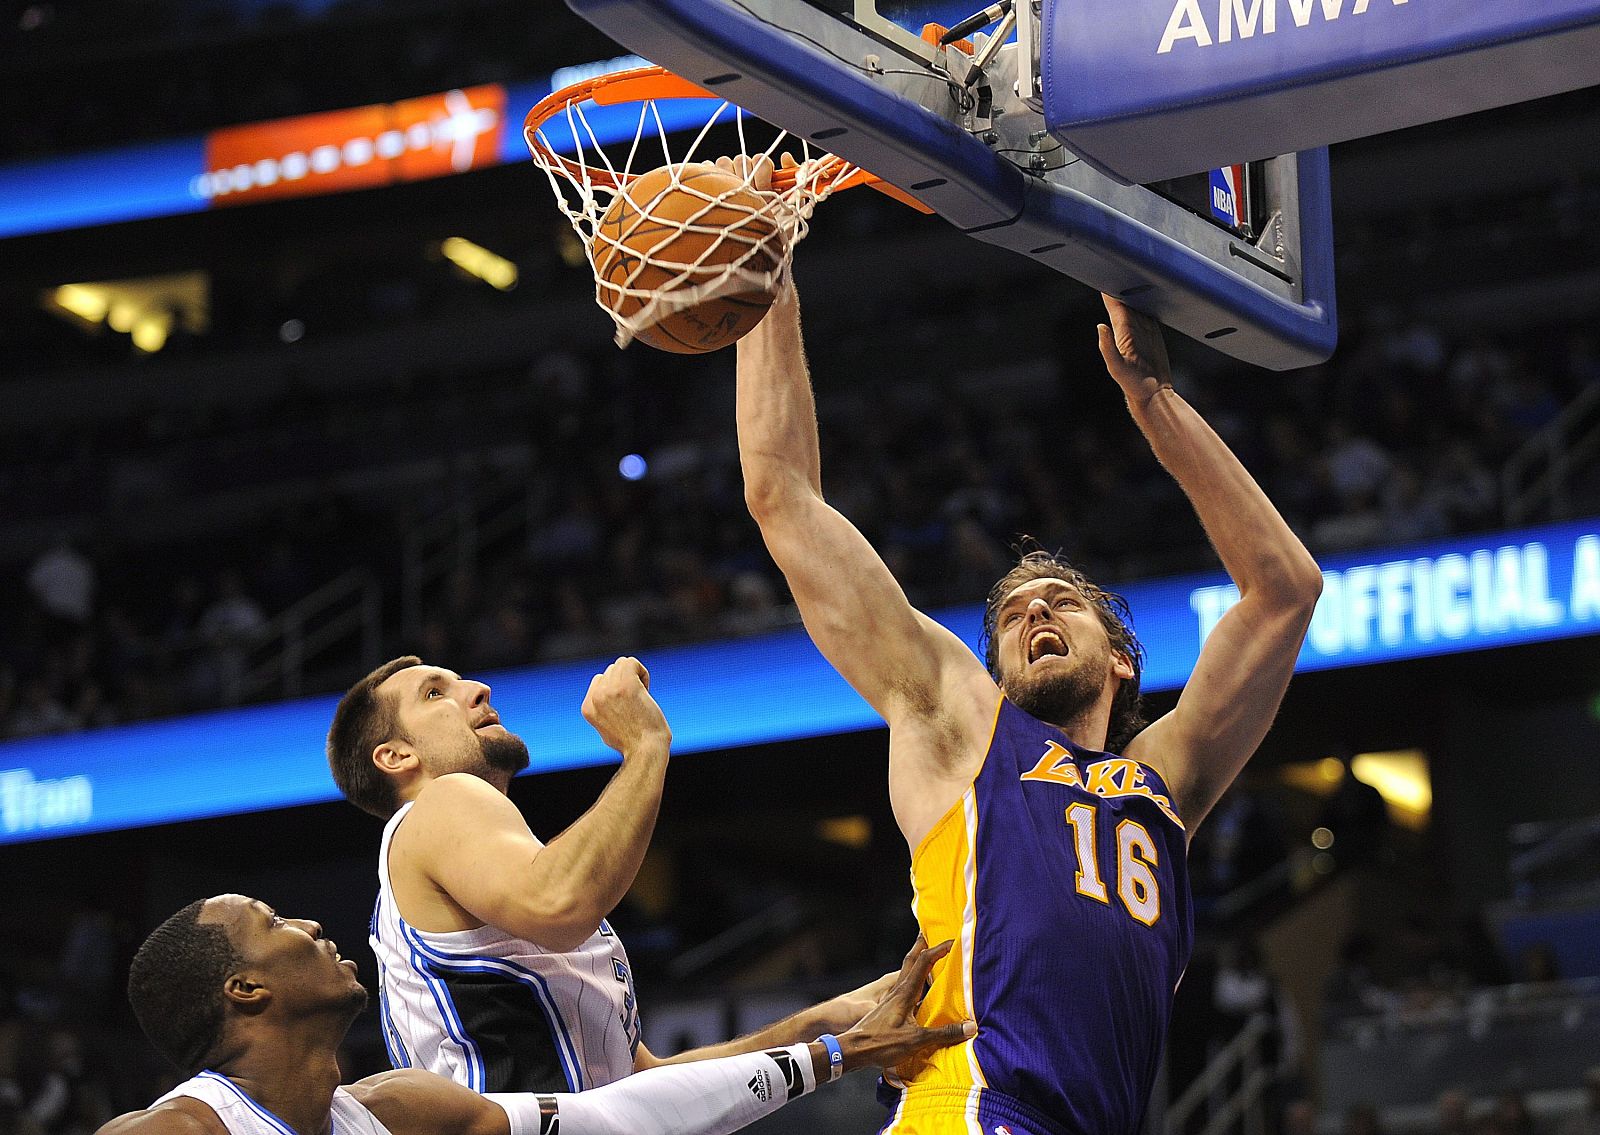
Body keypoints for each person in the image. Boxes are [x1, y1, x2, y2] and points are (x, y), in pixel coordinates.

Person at [733, 256, 1322, 1135]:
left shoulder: (1165, 780)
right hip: (970, 1109)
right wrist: (766, 281)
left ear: (1123, 662)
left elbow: (1285, 588)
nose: (1034, 607)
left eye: (1063, 601)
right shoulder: (961, 722)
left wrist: (1155, 404)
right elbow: (783, 498)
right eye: (1011, 614)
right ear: (1000, 668)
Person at [326, 655, 891, 1095]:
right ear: (395, 757)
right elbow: (559, 902)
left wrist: (827, 1024)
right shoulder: (438, 806)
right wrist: (644, 745)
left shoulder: (484, 879)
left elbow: (643, 1085)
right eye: (434, 693)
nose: (478, 690)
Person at [98, 895, 971, 1135]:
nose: (310, 923)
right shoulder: (170, 1134)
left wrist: (833, 1055)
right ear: (244, 991)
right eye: (276, 923)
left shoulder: (397, 1111)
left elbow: (618, 1116)